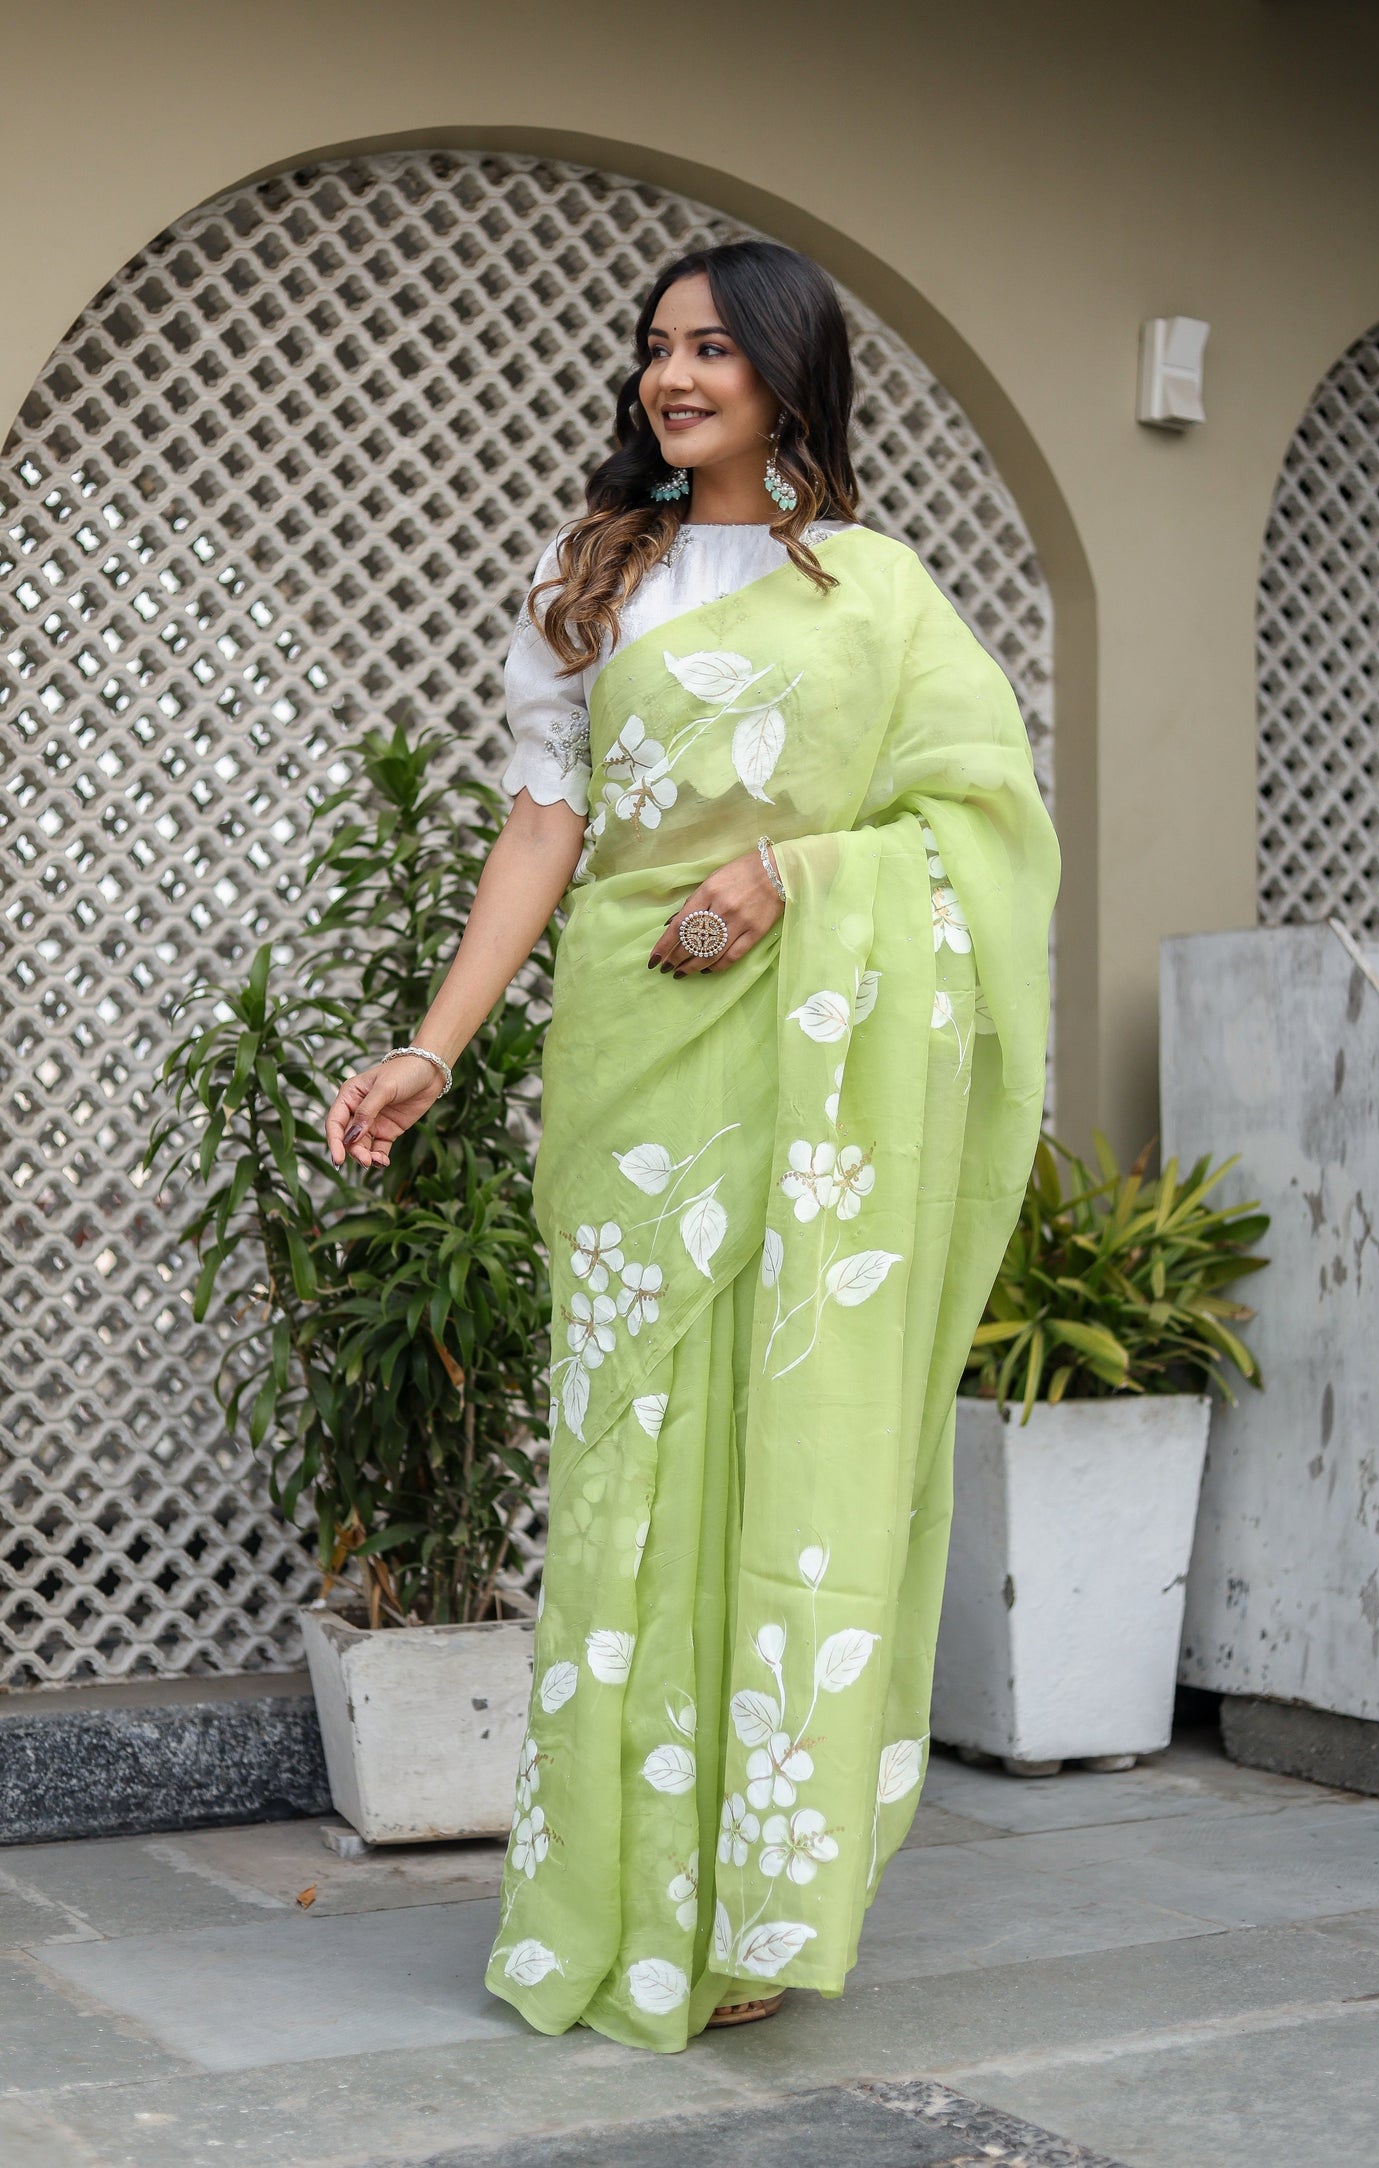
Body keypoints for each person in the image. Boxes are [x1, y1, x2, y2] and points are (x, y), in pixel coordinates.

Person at [325, 238, 1059, 2052]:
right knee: (633, 1472)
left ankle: (752, 1912)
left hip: (814, 1088)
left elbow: (978, 826)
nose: (673, 375)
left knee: (786, 1455)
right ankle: (616, 1901)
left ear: (785, 374)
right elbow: (538, 834)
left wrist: (795, 876)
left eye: (714, 348)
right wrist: (433, 1046)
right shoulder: (598, 579)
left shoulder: (874, 593)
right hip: (640, 1069)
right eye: (657, 348)